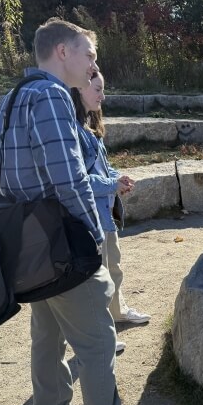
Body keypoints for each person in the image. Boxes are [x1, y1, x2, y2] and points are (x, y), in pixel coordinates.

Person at [0, 18, 164, 405]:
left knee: (46, 337)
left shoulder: (12, 98)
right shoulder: (51, 96)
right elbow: (69, 180)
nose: (93, 63)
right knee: (98, 342)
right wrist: (92, 240)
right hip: (64, 245)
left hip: (29, 246)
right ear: (62, 52)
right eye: (88, 53)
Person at [71, 71, 152, 350]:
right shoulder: (74, 131)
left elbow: (102, 170)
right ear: (79, 90)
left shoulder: (90, 126)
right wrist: (111, 184)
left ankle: (118, 312)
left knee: (113, 268)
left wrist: (118, 179)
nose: (102, 96)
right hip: (91, 218)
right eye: (97, 89)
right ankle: (102, 332)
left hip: (106, 215)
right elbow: (80, 180)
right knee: (99, 279)